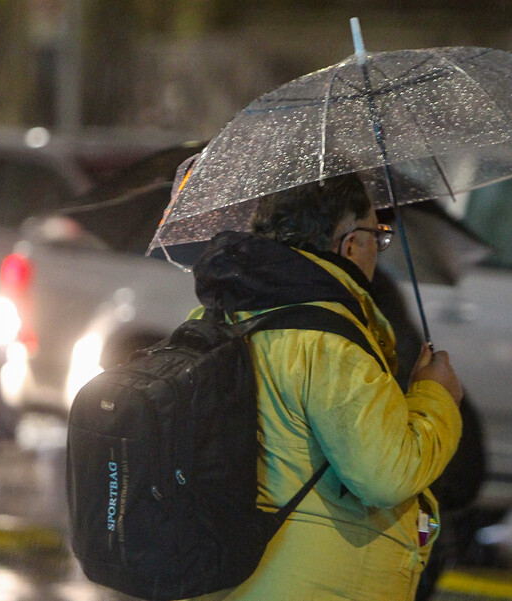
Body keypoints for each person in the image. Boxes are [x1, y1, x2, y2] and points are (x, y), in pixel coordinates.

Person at [187, 171, 464, 601]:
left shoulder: (211, 320)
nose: (378, 248)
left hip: (228, 581)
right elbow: (386, 476)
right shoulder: (328, 343)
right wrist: (435, 396)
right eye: (378, 235)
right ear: (350, 243)